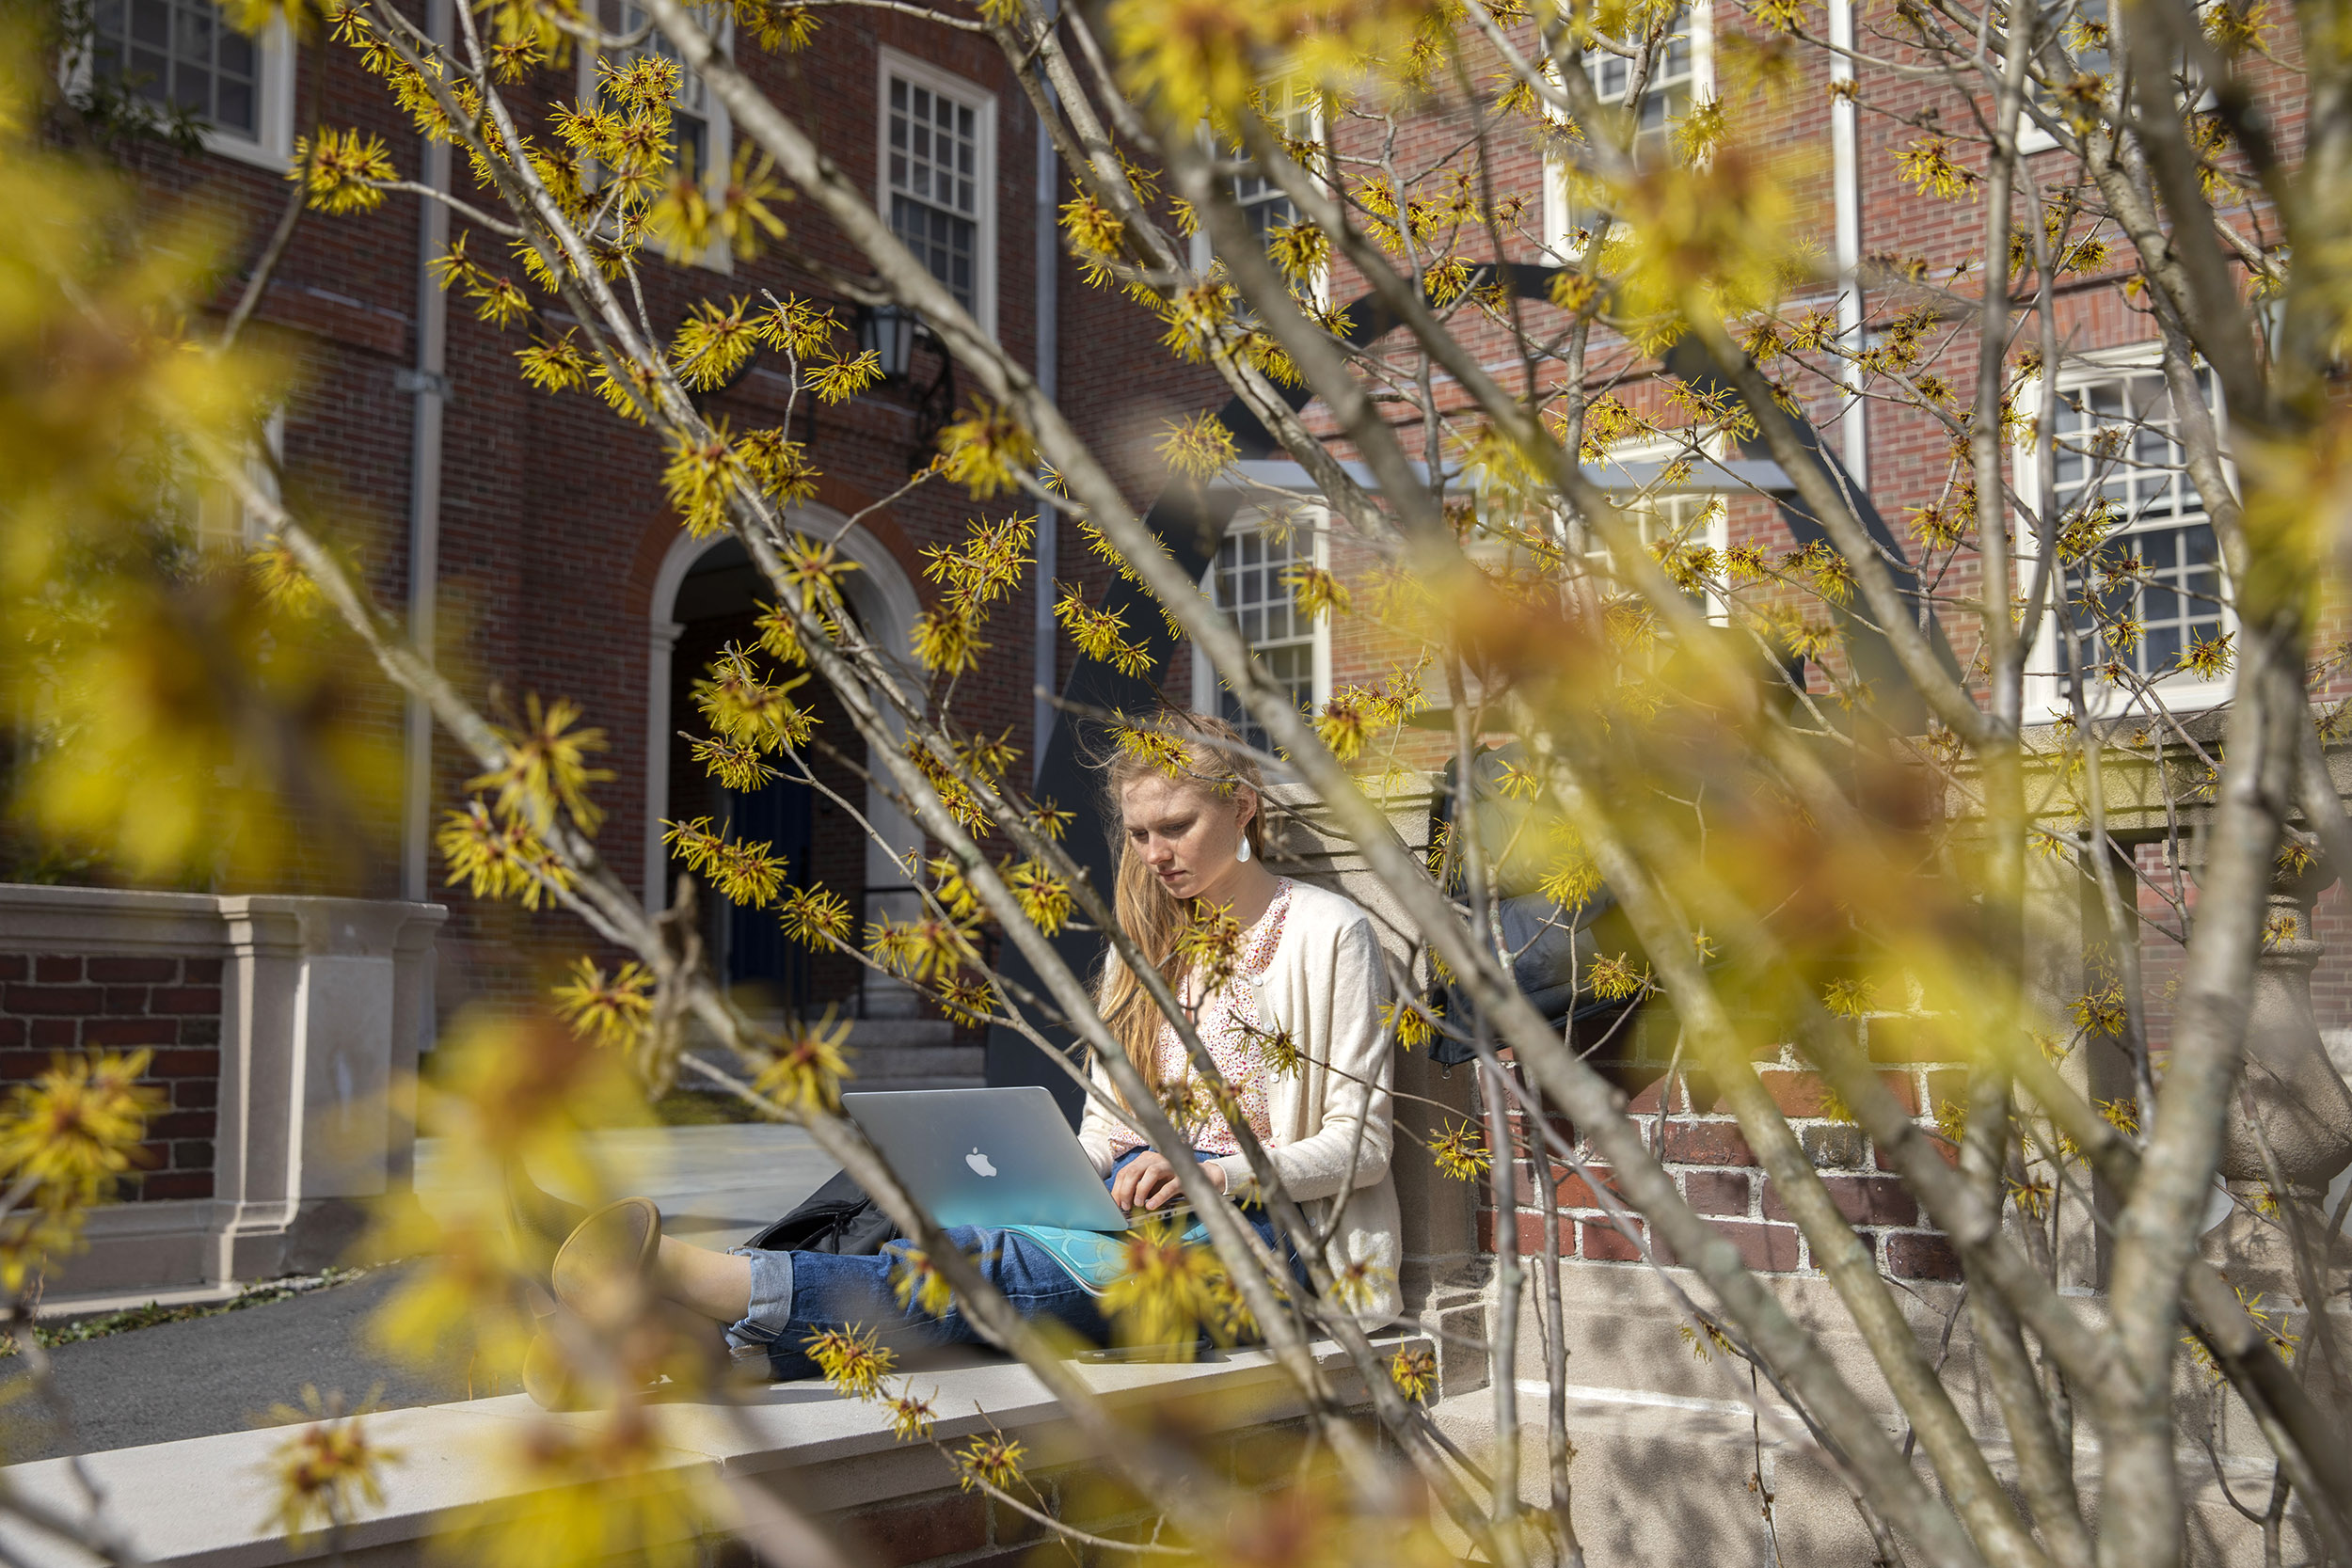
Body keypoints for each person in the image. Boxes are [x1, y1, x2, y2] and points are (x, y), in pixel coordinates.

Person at [507, 710, 1399, 1406]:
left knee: (991, 1264)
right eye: (1137, 833)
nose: (1155, 854)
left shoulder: (1328, 934)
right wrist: (1037, 1174)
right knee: (914, 1202)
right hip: (1123, 1215)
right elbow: (1106, 1132)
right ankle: (687, 1343)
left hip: (1257, 1250)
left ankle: (669, 1277)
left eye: (1177, 825)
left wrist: (1219, 1171)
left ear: (1243, 805)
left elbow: (1363, 1145)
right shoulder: (1145, 959)